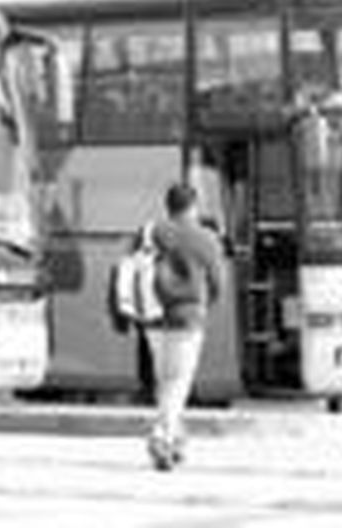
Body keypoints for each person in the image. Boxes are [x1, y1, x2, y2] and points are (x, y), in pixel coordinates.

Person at [144, 181, 225, 471]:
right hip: (186, 318)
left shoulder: (152, 231)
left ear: (168, 205)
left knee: (165, 380)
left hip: (152, 317)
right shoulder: (206, 238)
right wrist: (203, 304)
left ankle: (176, 441)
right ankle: (162, 436)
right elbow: (218, 284)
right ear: (193, 206)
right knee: (177, 382)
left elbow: (132, 267)